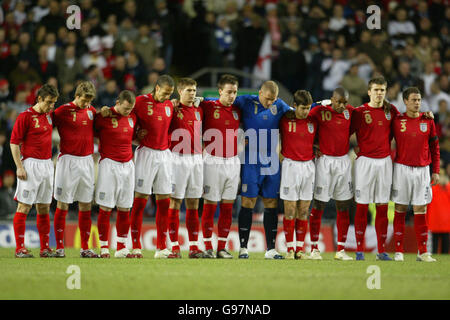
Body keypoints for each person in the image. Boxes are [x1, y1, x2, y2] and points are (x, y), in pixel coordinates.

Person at [234, 81, 293, 260]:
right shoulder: (245, 101)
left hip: (271, 161)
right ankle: (243, 247)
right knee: (248, 201)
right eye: (268, 99)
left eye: (273, 100)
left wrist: (318, 105)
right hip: (251, 160)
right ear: (260, 93)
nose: (270, 103)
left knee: (271, 203)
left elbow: (298, 113)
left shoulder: (280, 105)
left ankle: (271, 249)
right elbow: (223, 102)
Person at [350, 76, 399, 261]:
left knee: (382, 206)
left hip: (385, 162)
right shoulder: (360, 111)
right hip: (365, 162)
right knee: (362, 205)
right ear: (369, 91)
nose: (379, 93)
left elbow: (398, 131)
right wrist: (354, 147)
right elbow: (346, 132)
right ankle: (360, 250)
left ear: (385, 92)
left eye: (382, 90)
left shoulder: (391, 111)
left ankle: (381, 250)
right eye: (376, 90)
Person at [128, 75, 175, 259]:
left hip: (164, 155)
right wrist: (135, 137)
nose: (167, 97)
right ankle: (136, 247)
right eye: (165, 93)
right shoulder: (139, 102)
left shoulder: (170, 106)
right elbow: (126, 119)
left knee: (164, 202)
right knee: (140, 201)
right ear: (157, 88)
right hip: (145, 153)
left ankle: (162, 248)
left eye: (170, 94)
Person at [10, 84, 59, 258]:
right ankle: (19, 248)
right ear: (39, 99)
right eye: (49, 102)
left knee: (44, 207)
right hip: (30, 164)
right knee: (24, 206)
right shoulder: (25, 116)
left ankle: (45, 248)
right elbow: (14, 143)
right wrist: (19, 167)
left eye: (54, 102)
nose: (51, 106)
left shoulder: (49, 116)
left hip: (46, 165)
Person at [391, 87, 440, 262]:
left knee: (421, 209)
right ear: (405, 101)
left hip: (422, 170)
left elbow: (435, 148)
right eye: (413, 100)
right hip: (402, 169)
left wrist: (435, 170)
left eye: (419, 100)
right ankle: (398, 251)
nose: (417, 103)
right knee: (400, 209)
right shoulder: (397, 121)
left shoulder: (428, 121)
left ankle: (423, 251)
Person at [52, 81, 98, 258]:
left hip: (86, 162)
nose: (86, 104)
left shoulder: (91, 112)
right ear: (76, 96)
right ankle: (60, 248)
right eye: (84, 100)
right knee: (63, 203)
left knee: (86, 203)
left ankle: (85, 248)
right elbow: (46, 124)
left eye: (89, 101)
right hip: (67, 161)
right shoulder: (62, 111)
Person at [308, 88, 354, 261]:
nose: (342, 106)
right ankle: (314, 249)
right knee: (319, 204)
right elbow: (303, 118)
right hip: (324, 161)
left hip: (343, 161)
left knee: (343, 205)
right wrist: (314, 145)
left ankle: (341, 250)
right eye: (339, 102)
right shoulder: (320, 111)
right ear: (332, 99)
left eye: (345, 102)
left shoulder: (350, 112)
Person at [200, 74, 241, 259]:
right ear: (219, 91)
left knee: (227, 206)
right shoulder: (208, 106)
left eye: (234, 92)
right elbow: (189, 102)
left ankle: (222, 247)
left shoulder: (238, 109)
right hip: (212, 160)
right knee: (210, 204)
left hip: (232, 161)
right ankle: (208, 246)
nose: (232, 95)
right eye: (228, 92)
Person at [167, 78, 207, 259]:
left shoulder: (199, 109)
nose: (192, 93)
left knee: (193, 203)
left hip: (197, 159)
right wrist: (170, 103)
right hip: (178, 158)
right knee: (175, 202)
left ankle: (193, 247)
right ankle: (174, 246)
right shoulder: (172, 109)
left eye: (194, 90)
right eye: (189, 90)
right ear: (179, 91)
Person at [94, 90, 137, 259]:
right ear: (117, 102)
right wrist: (100, 112)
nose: (128, 112)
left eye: (130, 109)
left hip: (128, 165)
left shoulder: (133, 118)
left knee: (125, 207)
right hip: (109, 164)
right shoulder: (103, 116)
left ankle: (121, 248)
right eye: (126, 108)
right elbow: (87, 129)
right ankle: (104, 248)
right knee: (105, 207)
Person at [279, 90, 316, 260]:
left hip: (309, 166)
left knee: (303, 210)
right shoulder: (284, 118)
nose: (305, 112)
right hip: (290, 166)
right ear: (294, 106)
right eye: (302, 108)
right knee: (290, 209)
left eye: (308, 108)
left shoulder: (313, 120)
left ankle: (300, 250)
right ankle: (289, 249)